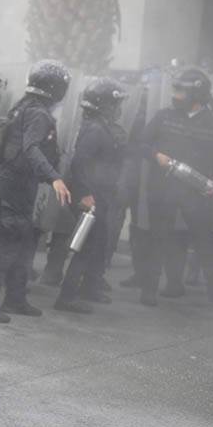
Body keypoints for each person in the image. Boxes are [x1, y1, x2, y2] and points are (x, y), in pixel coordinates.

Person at [0, 59, 73, 324]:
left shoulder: (23, 105)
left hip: (16, 181)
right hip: (18, 183)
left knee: (25, 242)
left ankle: (15, 298)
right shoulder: (38, 113)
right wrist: (55, 178)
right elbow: (31, 148)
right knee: (8, 243)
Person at [138, 68, 213, 311]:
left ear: (197, 94)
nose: (176, 95)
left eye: (182, 91)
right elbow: (140, 143)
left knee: (205, 242)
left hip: (196, 191)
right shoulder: (164, 116)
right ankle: (149, 290)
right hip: (163, 189)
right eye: (176, 89)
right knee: (158, 238)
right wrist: (155, 155)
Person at [54, 79, 128, 313]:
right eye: (115, 103)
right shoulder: (96, 130)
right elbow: (79, 163)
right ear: (104, 105)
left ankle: (89, 288)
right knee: (86, 245)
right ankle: (66, 297)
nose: (118, 108)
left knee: (99, 242)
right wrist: (85, 194)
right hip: (91, 196)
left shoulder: (100, 126)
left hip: (101, 193)